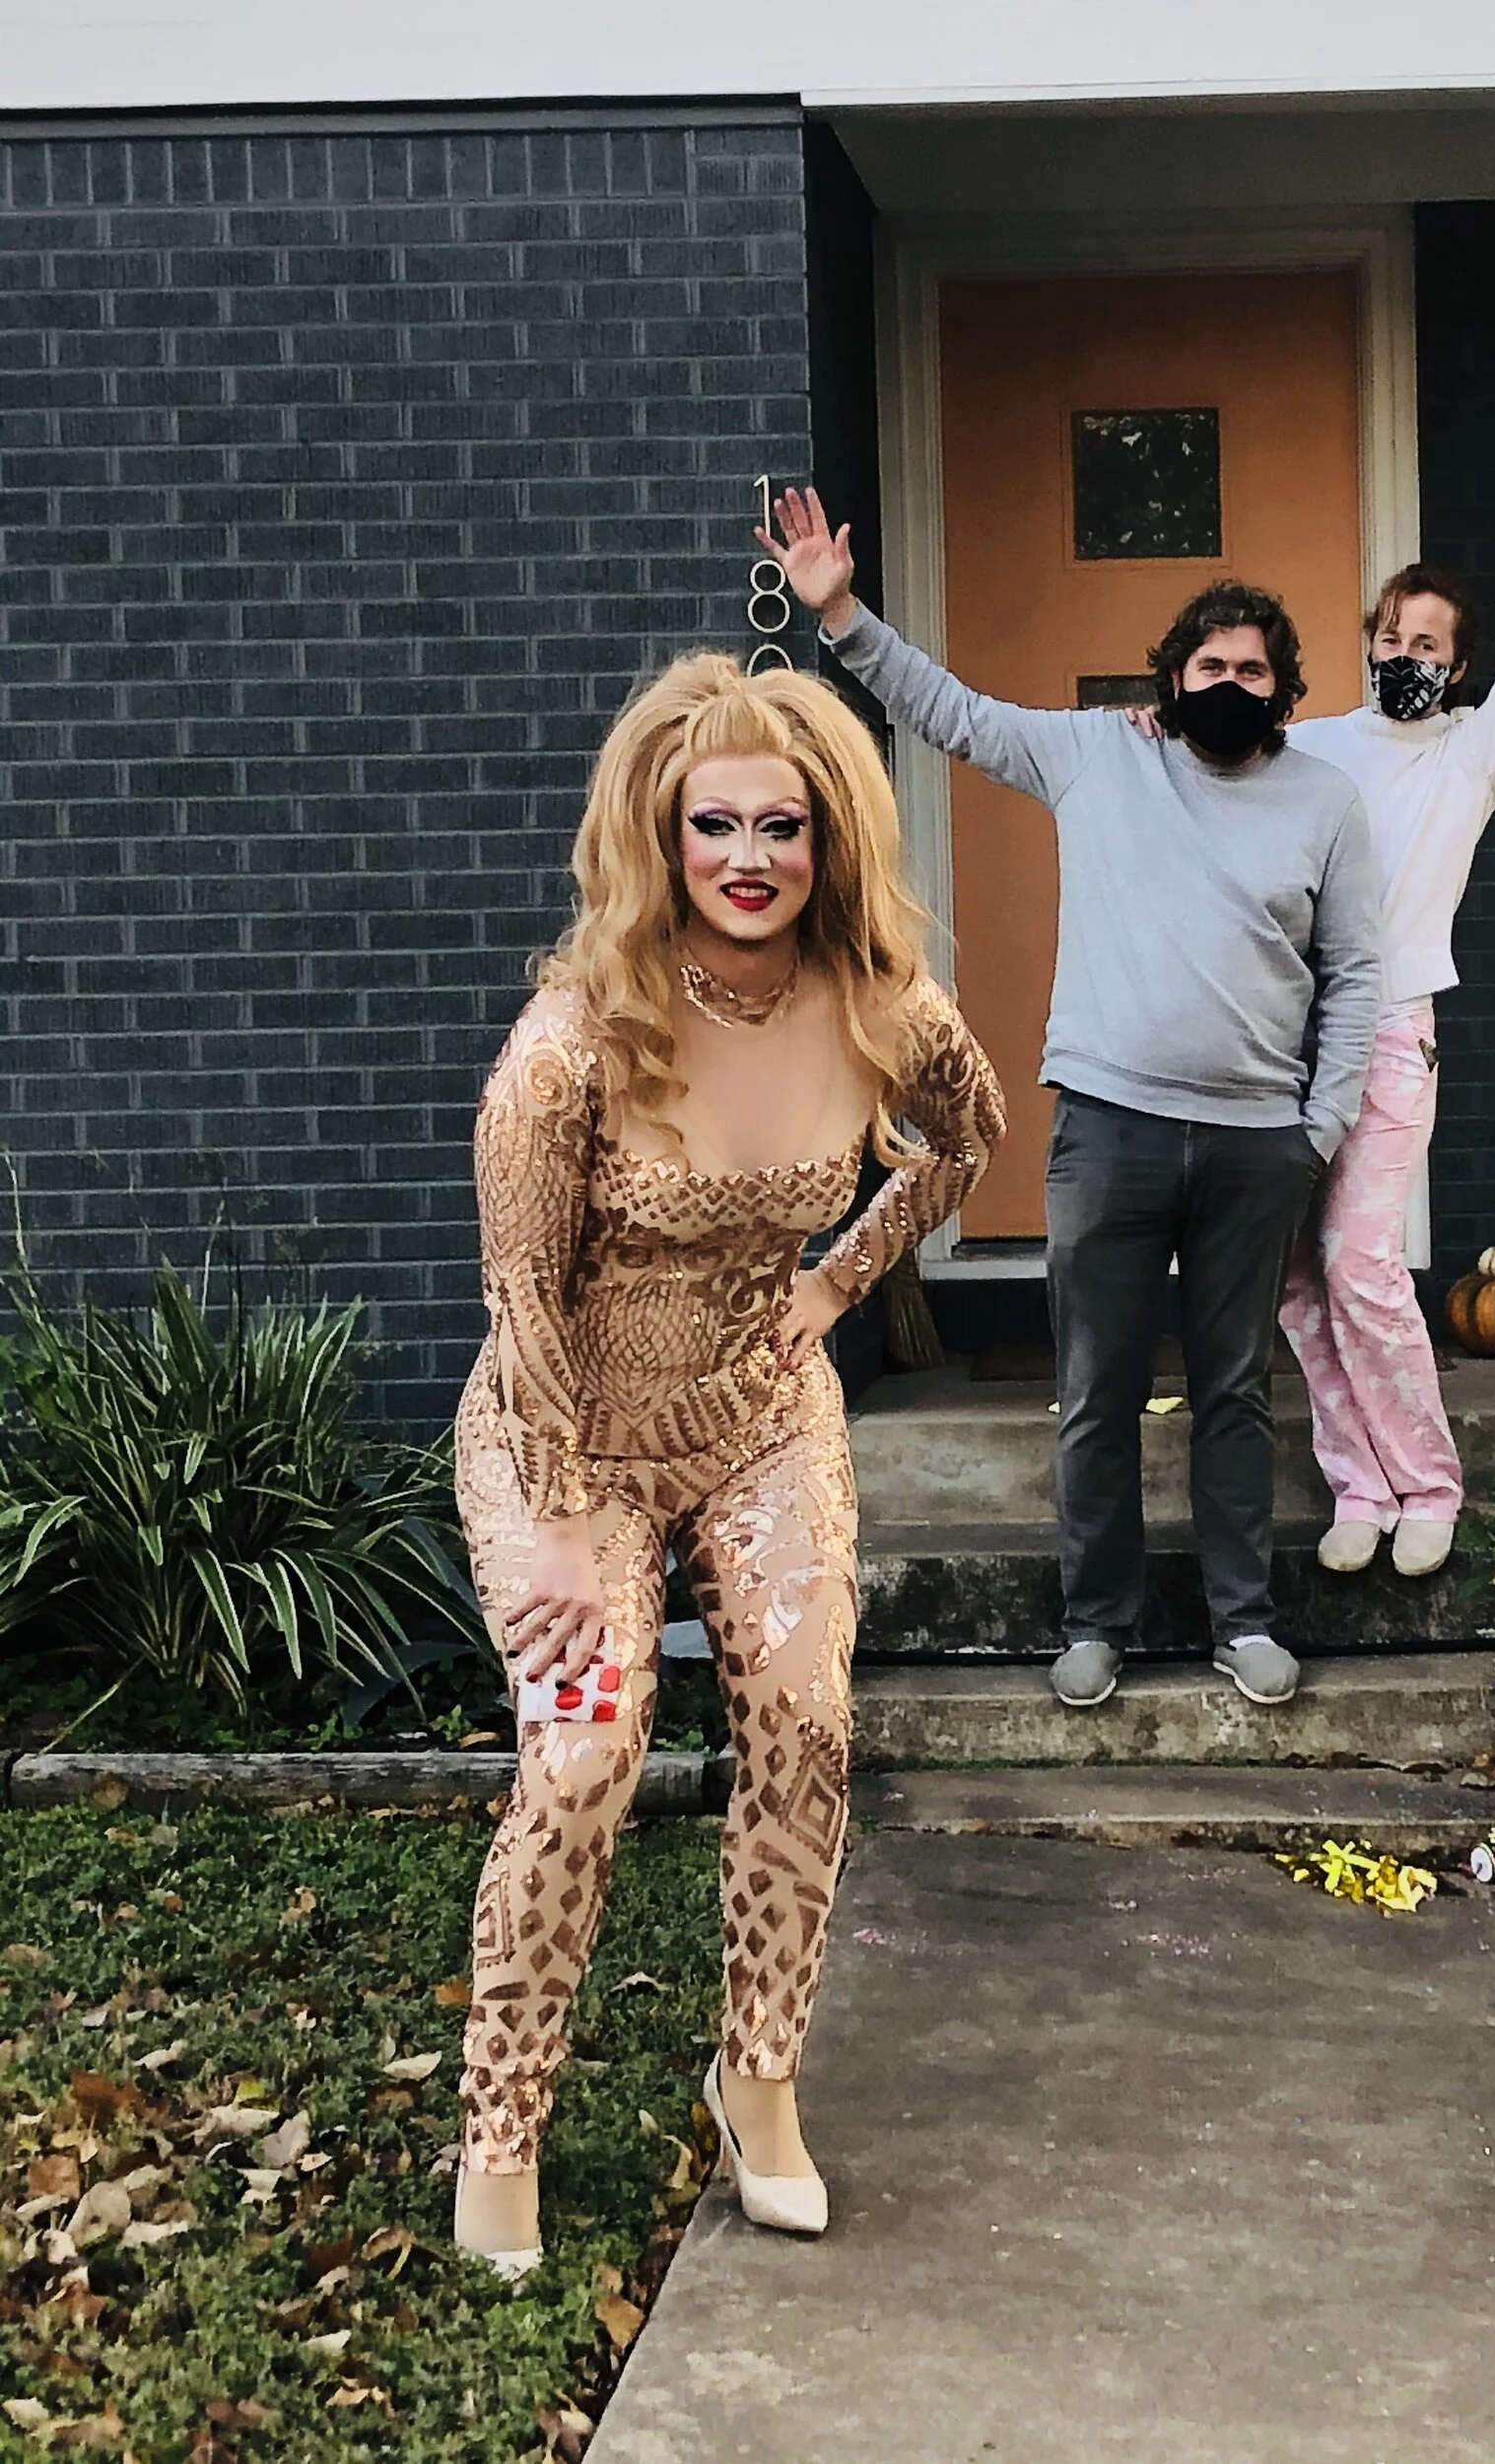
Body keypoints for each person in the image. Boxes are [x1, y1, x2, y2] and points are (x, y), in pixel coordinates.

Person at [451, 650, 1004, 2276]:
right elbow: (519, 1302)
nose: (751, 856)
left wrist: (838, 1284)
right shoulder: (570, 1048)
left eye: (785, 826)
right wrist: (556, 1533)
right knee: (581, 1753)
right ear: (662, 837)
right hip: (565, 1449)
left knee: (811, 1720)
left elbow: (966, 1143)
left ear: (827, 841)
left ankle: (759, 2079)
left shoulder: (885, 1006)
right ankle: (500, 2131)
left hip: (763, 1419)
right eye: (717, 827)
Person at [762, 488, 1381, 1714]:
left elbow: (1356, 971)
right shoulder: (1101, 753)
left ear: (1282, 686)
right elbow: (951, 712)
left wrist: (1319, 1128)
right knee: (1093, 1386)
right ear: (1171, 677)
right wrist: (840, 616)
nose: (1232, 681)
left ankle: (1242, 1620)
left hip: (1261, 1142)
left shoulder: (1325, 803)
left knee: (1234, 1392)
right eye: (1210, 662)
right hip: (1110, 1127)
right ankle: (1094, 1621)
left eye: (1254, 669)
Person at [1277, 397, 1495, 1581]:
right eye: (1391, 638)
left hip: (1388, 1032)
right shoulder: (1309, 747)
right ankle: (1358, 1485)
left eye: (1428, 645)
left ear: (1459, 663)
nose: (1405, 659)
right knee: (1292, 1280)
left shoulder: (1471, 750)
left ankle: (1427, 1482)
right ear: (1367, 643)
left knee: (1362, 1264)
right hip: (1283, 1042)